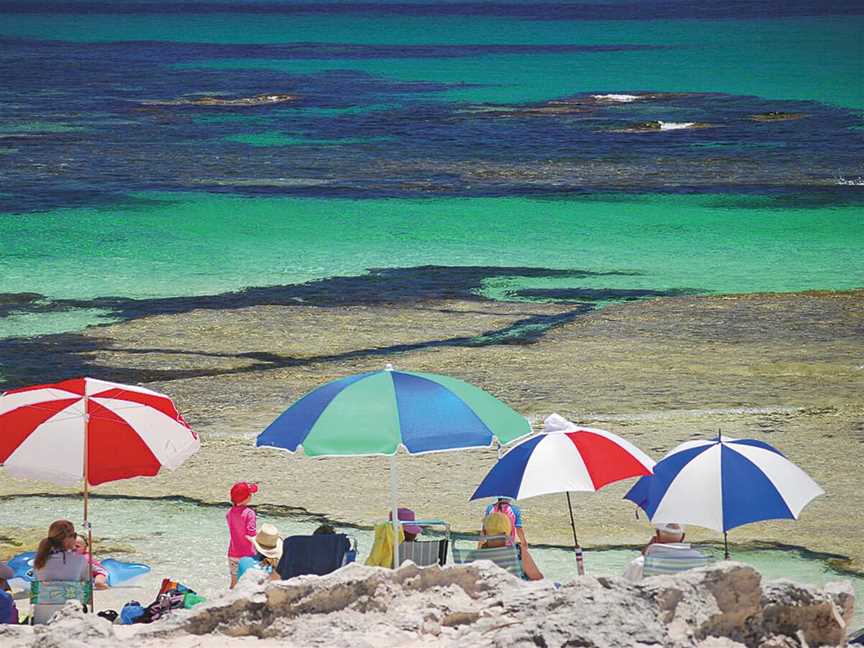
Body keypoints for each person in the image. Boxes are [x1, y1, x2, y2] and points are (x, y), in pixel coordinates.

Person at [32, 520, 89, 624]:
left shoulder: (38, 561)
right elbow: (86, 587)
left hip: (41, 619)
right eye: (74, 535)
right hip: (70, 619)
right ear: (68, 538)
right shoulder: (80, 560)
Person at [481, 498, 543, 580]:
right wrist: (523, 542)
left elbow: (484, 528)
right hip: (509, 547)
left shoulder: (490, 508)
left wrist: (481, 545)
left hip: (490, 547)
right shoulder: (518, 551)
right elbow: (538, 578)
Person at [623, 522, 704, 581]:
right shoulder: (700, 561)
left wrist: (643, 555)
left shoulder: (640, 563)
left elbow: (624, 589)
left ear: (657, 534)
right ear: (683, 537)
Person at [226, 481, 259, 588]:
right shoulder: (250, 513)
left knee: (234, 583)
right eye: (250, 494)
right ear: (246, 497)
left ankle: (228, 601)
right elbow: (251, 534)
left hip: (233, 554)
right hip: (248, 554)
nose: (251, 496)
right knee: (249, 584)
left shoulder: (229, 513)